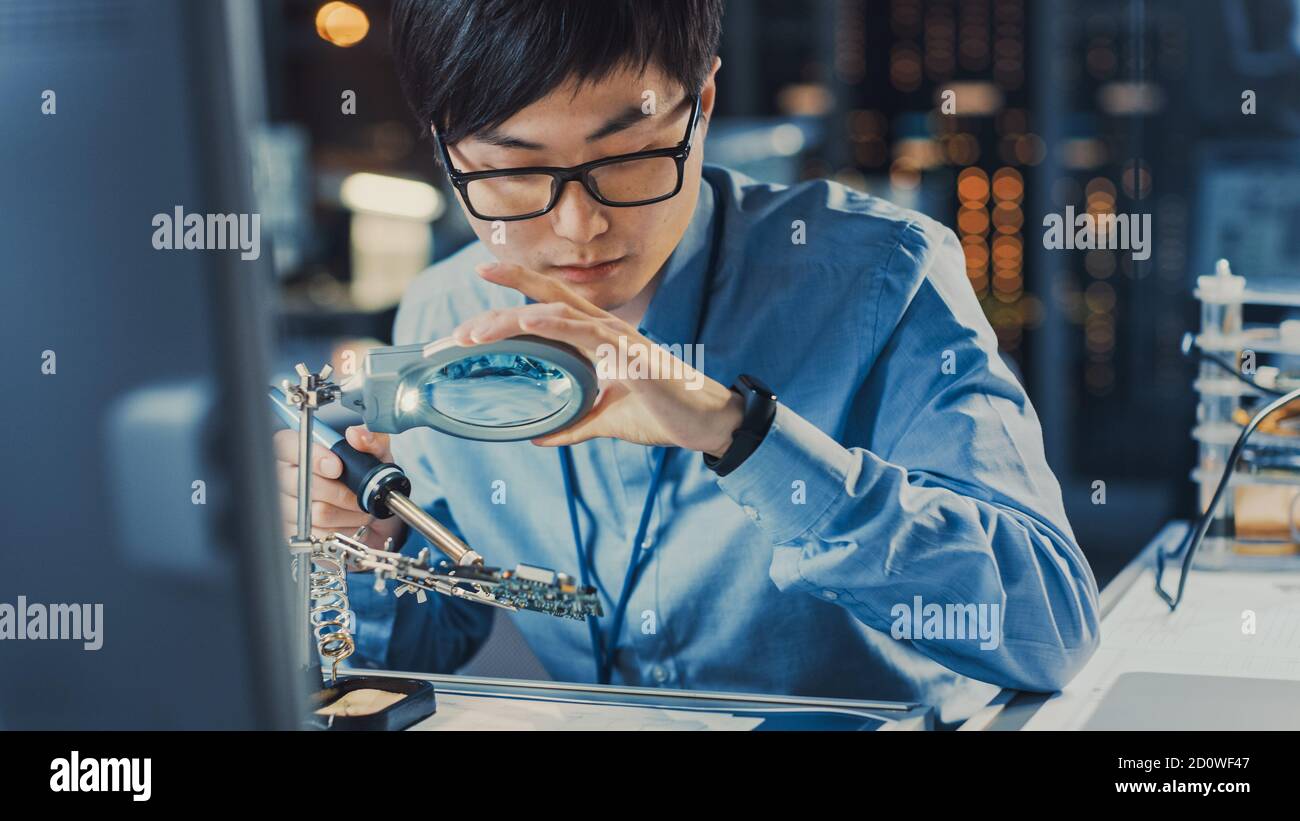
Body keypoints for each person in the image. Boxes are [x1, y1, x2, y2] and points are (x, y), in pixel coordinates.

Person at [273, 0, 1099, 724]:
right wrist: (368, 544)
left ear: (699, 105)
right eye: (515, 170)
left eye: (625, 156)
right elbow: (423, 643)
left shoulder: (883, 276)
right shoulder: (443, 313)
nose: (577, 227)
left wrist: (739, 434)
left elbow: (1052, 628)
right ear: (447, 151)